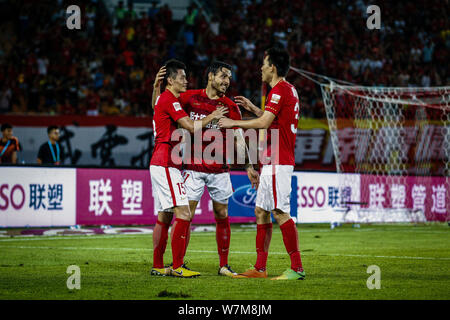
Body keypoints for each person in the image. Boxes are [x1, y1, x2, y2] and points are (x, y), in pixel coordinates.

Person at [151, 61, 260, 277]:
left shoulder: (230, 105)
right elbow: (160, 106)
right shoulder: (188, 97)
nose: (226, 81)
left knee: (222, 213)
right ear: (210, 76)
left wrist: (249, 166)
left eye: (229, 78)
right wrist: (156, 88)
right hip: (192, 168)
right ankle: (177, 263)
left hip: (219, 169)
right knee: (186, 215)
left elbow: (238, 137)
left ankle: (223, 265)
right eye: (222, 76)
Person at [219, 47, 305, 280]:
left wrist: (233, 123)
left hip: (279, 160)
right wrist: (254, 108)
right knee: (261, 211)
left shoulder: (278, 91)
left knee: (279, 211)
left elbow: (265, 122)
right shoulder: (289, 89)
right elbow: (275, 120)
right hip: (271, 160)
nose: (261, 67)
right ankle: (260, 268)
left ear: (273, 68)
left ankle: (297, 268)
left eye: (264, 63)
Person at [149, 59, 227, 278]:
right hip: (166, 163)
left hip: (164, 162)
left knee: (164, 215)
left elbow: (155, 107)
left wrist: (155, 88)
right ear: (171, 80)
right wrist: (212, 116)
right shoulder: (170, 100)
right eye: (182, 77)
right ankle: (177, 266)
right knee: (183, 213)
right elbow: (191, 126)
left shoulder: (164, 98)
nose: (186, 80)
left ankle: (158, 265)